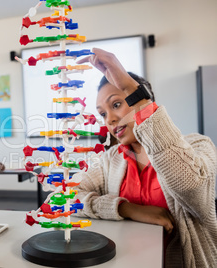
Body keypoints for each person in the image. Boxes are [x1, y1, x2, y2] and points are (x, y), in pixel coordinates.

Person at [72, 48, 217, 267]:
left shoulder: (199, 145)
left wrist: (130, 87)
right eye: (102, 113)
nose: (109, 119)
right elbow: (64, 197)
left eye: (117, 104)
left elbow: (191, 186)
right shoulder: (111, 159)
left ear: (143, 101)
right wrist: (125, 208)